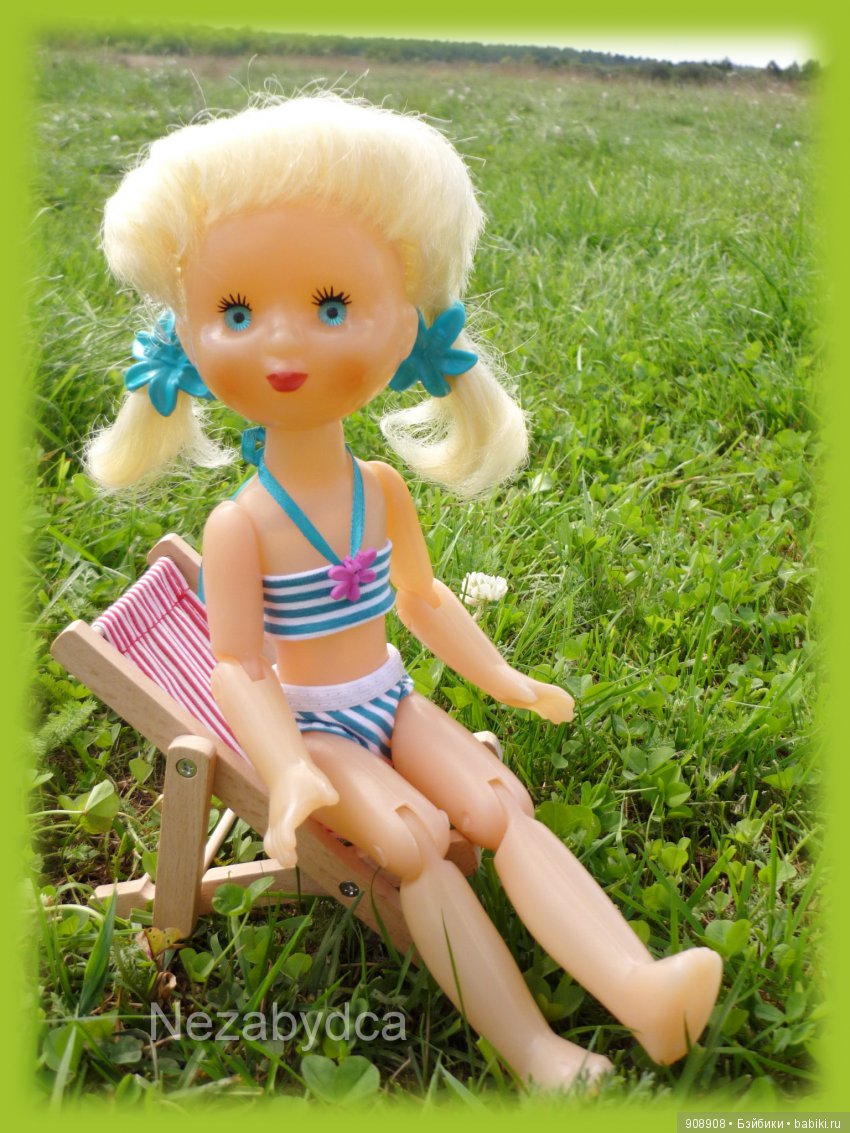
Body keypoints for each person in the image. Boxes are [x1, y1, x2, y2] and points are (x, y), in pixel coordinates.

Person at [87, 94, 721, 1090]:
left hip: (390, 694)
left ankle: (643, 990)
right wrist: (287, 771)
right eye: (236, 314)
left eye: (332, 307)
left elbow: (422, 600)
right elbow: (238, 665)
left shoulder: (378, 488)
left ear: (408, 327)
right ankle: (537, 1052)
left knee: (499, 803)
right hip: (316, 730)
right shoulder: (241, 525)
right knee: (415, 839)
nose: (284, 346)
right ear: (189, 338)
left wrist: (505, 677)